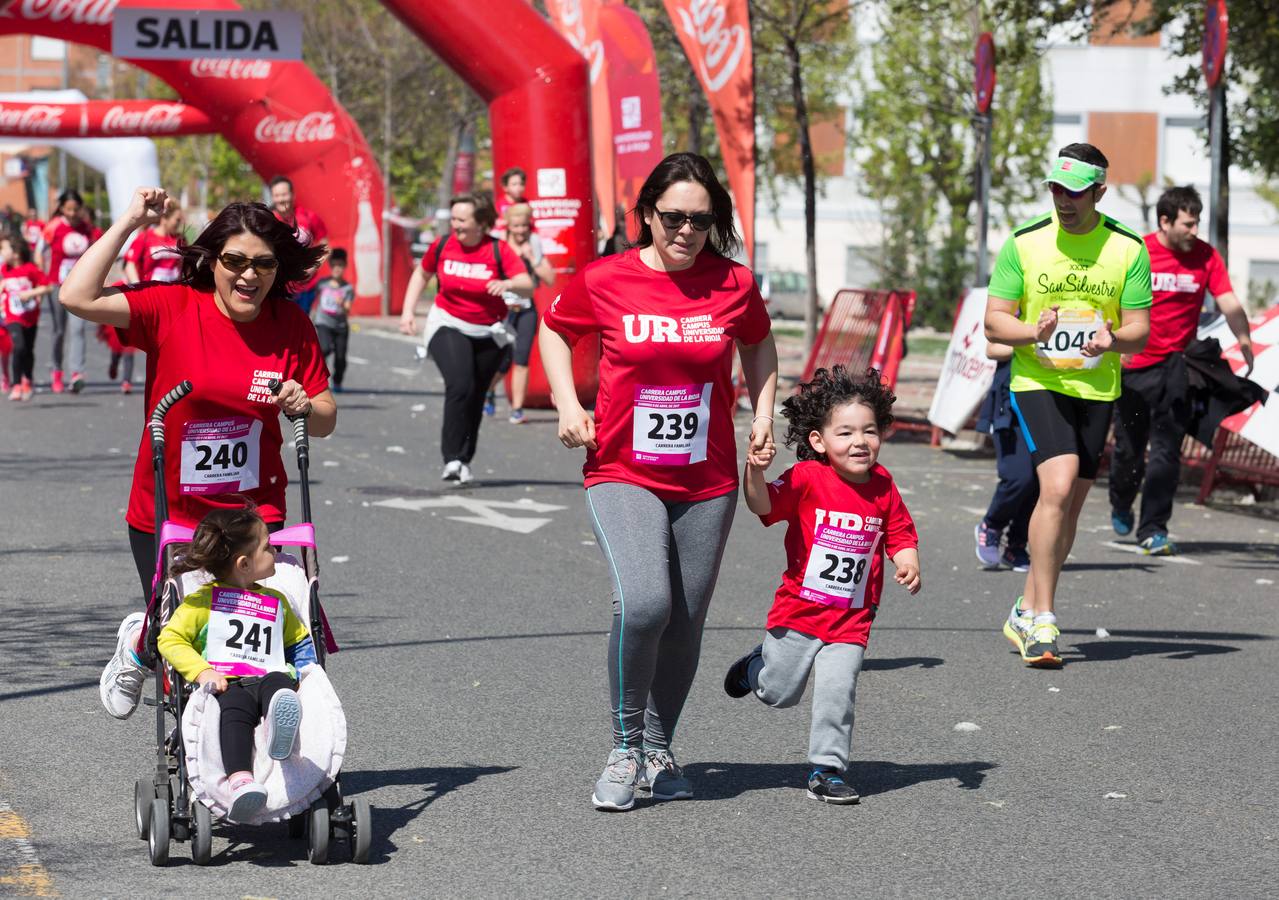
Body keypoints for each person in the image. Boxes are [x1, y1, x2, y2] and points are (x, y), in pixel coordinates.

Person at [539, 152, 779, 811]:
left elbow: (758, 343)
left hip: (707, 478)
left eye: (699, 220)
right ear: (645, 215)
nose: (684, 230)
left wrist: (761, 413)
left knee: (685, 620)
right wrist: (566, 404)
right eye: (671, 217)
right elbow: (555, 332)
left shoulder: (730, 283)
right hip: (621, 468)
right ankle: (623, 746)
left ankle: (657, 744)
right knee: (644, 603)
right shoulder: (605, 278)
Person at [57, 186, 335, 721]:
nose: (248, 276)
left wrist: (304, 403)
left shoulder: (291, 325)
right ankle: (140, 644)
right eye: (235, 261)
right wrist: (130, 220)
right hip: (170, 512)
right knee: (182, 635)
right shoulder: (173, 307)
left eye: (263, 264)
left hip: (255, 515)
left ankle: (251, 757)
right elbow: (76, 296)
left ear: (278, 269)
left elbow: (324, 418)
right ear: (212, 262)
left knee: (260, 635)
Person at [984, 143, 1151, 668]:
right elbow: (994, 322)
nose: (1063, 200)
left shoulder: (1127, 249)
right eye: (1056, 188)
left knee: (1069, 507)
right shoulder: (1025, 243)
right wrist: (1032, 331)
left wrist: (1112, 341)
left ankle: (1025, 606)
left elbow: (1139, 331)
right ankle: (1043, 621)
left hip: (1096, 388)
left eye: (1074, 192)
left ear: (1099, 191)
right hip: (1038, 381)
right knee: (1056, 484)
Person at [724, 365, 920, 804]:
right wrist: (754, 472)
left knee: (838, 690)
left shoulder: (884, 486)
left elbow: (901, 532)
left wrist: (906, 558)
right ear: (819, 441)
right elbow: (763, 506)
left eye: (869, 431)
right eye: (846, 432)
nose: (859, 442)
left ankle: (827, 770)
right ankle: (756, 666)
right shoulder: (807, 479)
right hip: (799, 612)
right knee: (778, 694)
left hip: (851, 618)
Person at [1109, 185, 1254, 556]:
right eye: (1188, 224)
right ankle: (1121, 500)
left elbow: (1229, 302)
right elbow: (1109, 300)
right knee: (1128, 451)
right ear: (1165, 221)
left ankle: (1153, 528)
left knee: (1166, 452)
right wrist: (1116, 343)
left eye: (1197, 223)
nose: (1194, 231)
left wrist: (1245, 339)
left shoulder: (1206, 256)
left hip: (1177, 366)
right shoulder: (1137, 251)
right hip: (1133, 367)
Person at [157, 505, 315, 822]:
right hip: (230, 683)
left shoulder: (276, 601)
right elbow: (170, 639)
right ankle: (240, 779)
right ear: (244, 564)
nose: (275, 552)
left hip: (271, 675)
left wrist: (307, 671)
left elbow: (298, 640)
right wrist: (202, 671)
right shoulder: (201, 603)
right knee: (233, 716)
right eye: (268, 547)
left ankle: (277, 725)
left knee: (280, 689)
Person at [398, 193, 533, 485]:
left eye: (462, 219)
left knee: (476, 394)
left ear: (481, 223)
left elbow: (527, 286)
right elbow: (422, 275)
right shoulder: (443, 245)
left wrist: (507, 283)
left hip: (489, 332)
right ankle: (451, 459)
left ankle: (464, 459)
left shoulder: (498, 250)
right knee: (461, 383)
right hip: (447, 323)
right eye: (454, 218)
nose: (455, 225)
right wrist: (408, 311)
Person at [973, 341, 1038, 571]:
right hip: (1012, 401)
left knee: (1043, 483)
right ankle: (992, 525)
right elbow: (992, 349)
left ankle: (1016, 546)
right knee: (1020, 477)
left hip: (1055, 399)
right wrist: (1037, 343)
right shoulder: (1017, 308)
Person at [490, 202, 555, 424]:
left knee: (522, 359)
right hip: (501, 310)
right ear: (508, 225)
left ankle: (516, 408)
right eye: (516, 226)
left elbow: (550, 278)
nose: (520, 231)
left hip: (526, 309)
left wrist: (532, 259)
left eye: (524, 226)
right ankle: (489, 391)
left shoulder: (533, 243)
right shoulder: (498, 242)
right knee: (501, 361)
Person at [42, 189, 100, 394]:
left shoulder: (88, 229)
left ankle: (77, 373)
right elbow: (39, 252)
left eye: (76, 209)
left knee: (78, 329)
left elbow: (99, 251)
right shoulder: (54, 228)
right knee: (59, 331)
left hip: (80, 288)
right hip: (57, 285)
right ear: (62, 209)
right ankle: (56, 371)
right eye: (68, 209)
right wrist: (43, 278)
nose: (73, 213)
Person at [3, 232, 54, 401]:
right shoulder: (5, 269)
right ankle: (16, 384)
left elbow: (47, 287)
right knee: (18, 347)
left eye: (4, 249)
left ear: (16, 253)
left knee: (28, 349)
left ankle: (28, 380)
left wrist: (31, 293)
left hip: (30, 316)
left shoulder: (30, 269)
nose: (1, 253)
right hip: (12, 316)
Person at [269, 175, 328, 315]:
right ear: (272, 197)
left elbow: (325, 246)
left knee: (300, 329)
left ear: (293, 194)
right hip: (276, 286)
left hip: (305, 288)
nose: (281, 199)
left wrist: (313, 268)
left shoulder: (309, 217)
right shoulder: (268, 220)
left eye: (284, 194)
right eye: (277, 195)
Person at [313, 247, 354, 391]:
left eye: (341, 265)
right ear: (330, 266)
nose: (337, 269)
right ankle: (319, 378)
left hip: (341, 327)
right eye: (335, 265)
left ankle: (337, 381)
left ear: (345, 266)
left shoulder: (347, 288)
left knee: (341, 358)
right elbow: (311, 297)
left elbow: (348, 309)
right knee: (324, 348)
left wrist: (342, 303)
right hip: (323, 323)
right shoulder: (322, 284)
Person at [124, 197, 184, 284]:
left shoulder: (181, 239)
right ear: (164, 219)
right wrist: (138, 288)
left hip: (172, 292)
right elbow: (130, 265)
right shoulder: (145, 237)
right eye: (177, 220)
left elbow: (185, 266)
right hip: (150, 293)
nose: (180, 223)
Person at [494, 166, 527, 236]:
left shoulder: (525, 203)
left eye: (521, 184)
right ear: (505, 187)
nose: (518, 188)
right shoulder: (500, 204)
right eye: (514, 184)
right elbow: (497, 223)